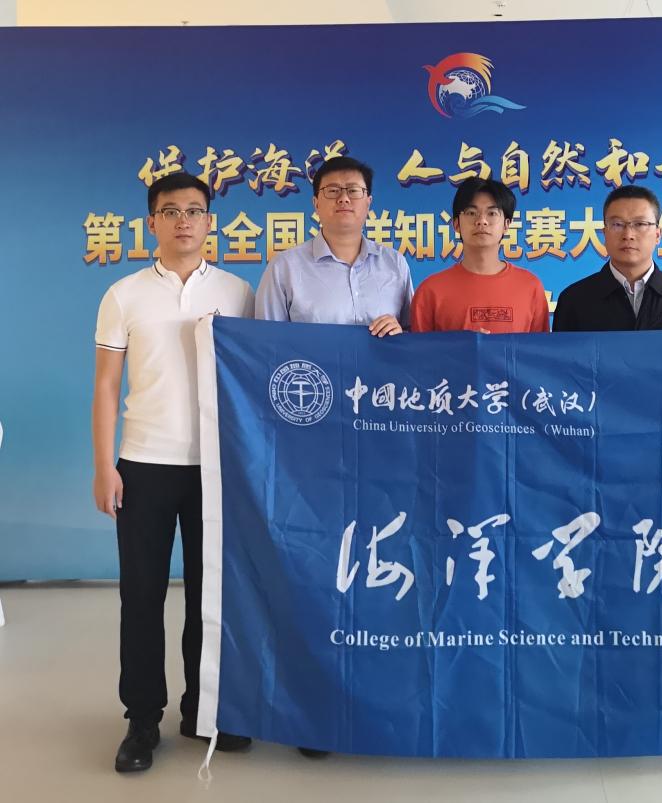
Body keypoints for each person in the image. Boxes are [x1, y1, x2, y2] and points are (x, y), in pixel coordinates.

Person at [93, 173, 255, 773]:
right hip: (143, 464)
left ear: (210, 221)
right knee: (141, 595)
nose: (183, 220)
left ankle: (202, 709)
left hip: (218, 468)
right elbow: (106, 386)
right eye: (170, 211)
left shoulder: (238, 292)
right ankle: (142, 719)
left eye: (194, 210)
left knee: (210, 597)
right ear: (152, 223)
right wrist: (104, 466)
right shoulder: (124, 294)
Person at [255, 155, 412, 336]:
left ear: (368, 202)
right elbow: (266, 342)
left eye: (353, 190)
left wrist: (400, 334)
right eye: (332, 190)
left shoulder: (395, 263)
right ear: (316, 204)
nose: (344, 198)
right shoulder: (283, 268)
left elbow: (414, 338)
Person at [552, 185, 662, 337]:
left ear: (657, 235)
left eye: (640, 224)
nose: (628, 235)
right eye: (617, 224)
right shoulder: (574, 300)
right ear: (604, 234)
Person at [410, 177, 549, 333]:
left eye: (492, 213)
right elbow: (419, 348)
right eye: (471, 213)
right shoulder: (430, 291)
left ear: (506, 225)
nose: (482, 221)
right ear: (456, 224)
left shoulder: (530, 287)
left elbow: (540, 347)